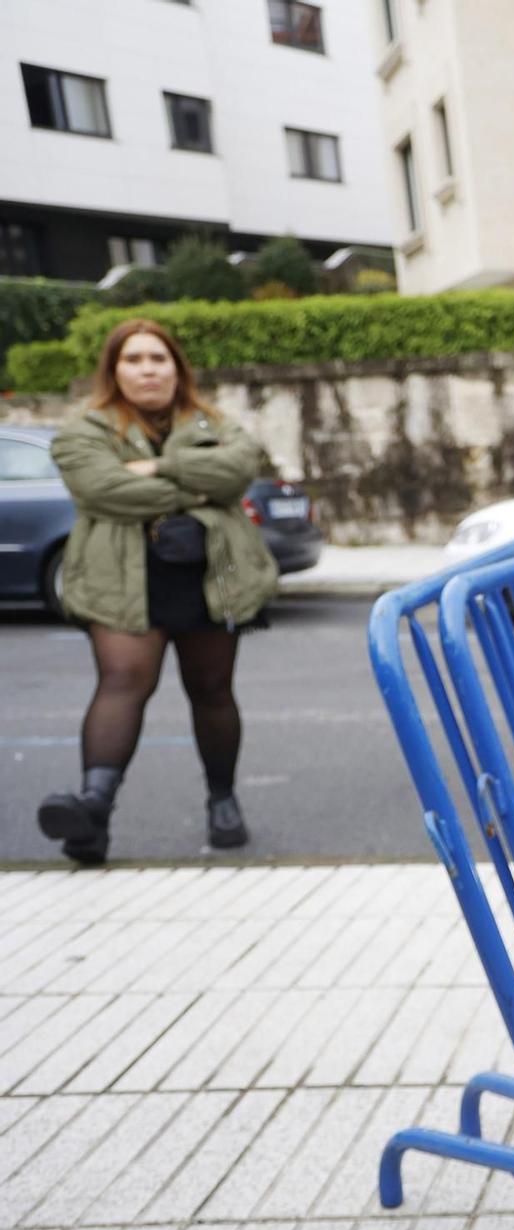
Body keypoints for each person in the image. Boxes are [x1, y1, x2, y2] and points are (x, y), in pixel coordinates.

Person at [36, 319, 280, 864]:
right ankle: (93, 811)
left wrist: (162, 465)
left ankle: (223, 801)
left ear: (177, 368)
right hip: (120, 578)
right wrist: (199, 484)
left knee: (212, 689)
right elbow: (102, 489)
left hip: (209, 575)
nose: (148, 369)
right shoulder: (84, 430)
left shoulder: (213, 422)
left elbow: (238, 471)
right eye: (134, 359)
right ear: (114, 370)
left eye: (159, 358)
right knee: (122, 682)